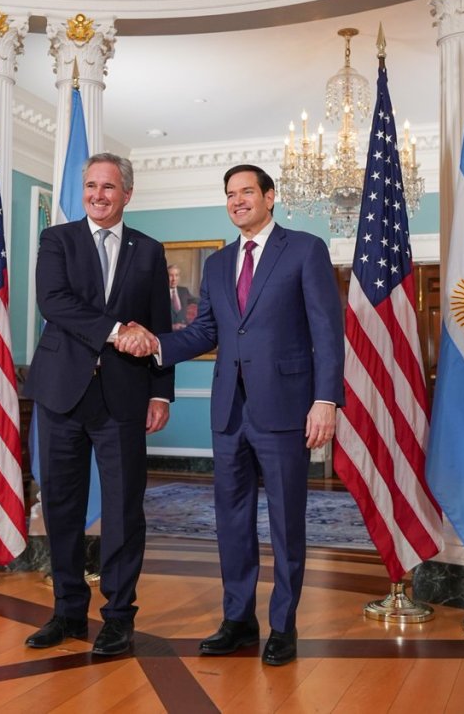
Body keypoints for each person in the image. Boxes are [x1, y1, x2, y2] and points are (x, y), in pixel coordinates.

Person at [117, 164, 344, 667]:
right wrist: (156, 344)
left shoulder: (304, 250)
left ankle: (283, 625)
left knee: (286, 522)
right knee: (231, 521)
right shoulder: (219, 264)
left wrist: (325, 400)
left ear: (270, 196)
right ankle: (238, 620)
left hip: (286, 408)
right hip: (228, 411)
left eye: (246, 192)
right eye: (230, 194)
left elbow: (327, 332)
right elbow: (206, 333)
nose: (237, 201)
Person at [21, 153, 174, 658]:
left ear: (127, 193)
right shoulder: (57, 240)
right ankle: (67, 611)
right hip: (61, 393)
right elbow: (54, 302)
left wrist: (160, 391)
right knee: (61, 507)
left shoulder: (149, 251)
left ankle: (118, 616)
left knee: (124, 508)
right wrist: (115, 330)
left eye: (108, 187)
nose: (98, 195)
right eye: (91, 186)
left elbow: (159, 325)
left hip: (124, 396)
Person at [167, 264, 195, 329]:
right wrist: (171, 326)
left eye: (176, 275)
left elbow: (197, 301)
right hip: (168, 330)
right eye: (171, 275)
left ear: (179, 277)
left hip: (184, 329)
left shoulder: (184, 291)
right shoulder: (160, 293)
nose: (174, 279)